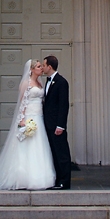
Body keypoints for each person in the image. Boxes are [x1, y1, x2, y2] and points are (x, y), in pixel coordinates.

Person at [0, 58, 55, 190]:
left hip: (39, 118)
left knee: (39, 146)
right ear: (31, 70)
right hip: (29, 117)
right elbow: (22, 102)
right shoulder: (26, 83)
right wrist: (23, 120)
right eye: (38, 66)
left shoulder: (40, 83)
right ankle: (23, 177)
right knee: (27, 147)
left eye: (41, 66)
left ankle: (41, 176)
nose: (41, 68)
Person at [42, 54, 72, 189]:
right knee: (53, 153)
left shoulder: (61, 82)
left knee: (61, 153)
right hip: (47, 124)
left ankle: (64, 181)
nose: (42, 68)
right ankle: (56, 179)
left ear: (49, 66)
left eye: (43, 65)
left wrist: (61, 125)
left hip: (56, 125)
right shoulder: (47, 82)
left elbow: (63, 105)